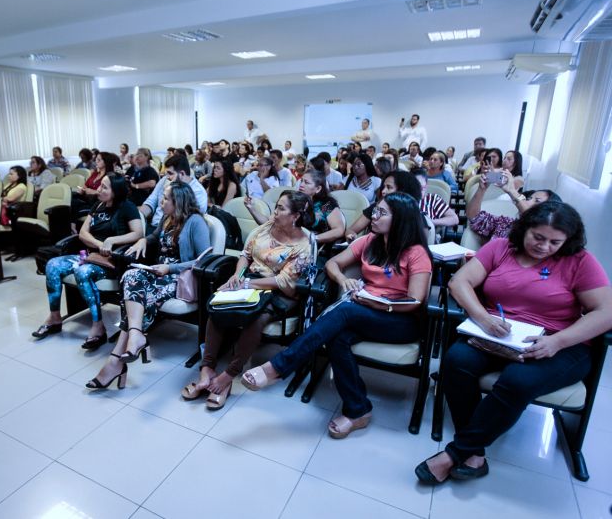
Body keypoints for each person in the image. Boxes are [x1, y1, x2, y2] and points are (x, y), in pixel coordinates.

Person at [415, 202, 612, 484]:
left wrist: (557, 341)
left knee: (517, 381)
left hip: (558, 342)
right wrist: (483, 318)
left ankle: (456, 452)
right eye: (538, 237)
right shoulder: (500, 247)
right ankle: (474, 452)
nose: (544, 247)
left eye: (555, 242)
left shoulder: (579, 261)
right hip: (498, 332)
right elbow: (459, 282)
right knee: (456, 362)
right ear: (524, 228)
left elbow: (607, 311)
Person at [241, 192, 432, 438]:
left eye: (382, 213)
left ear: (402, 219)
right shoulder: (371, 241)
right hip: (363, 310)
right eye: (375, 210)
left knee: (347, 311)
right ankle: (358, 410)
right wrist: (344, 280)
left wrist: (378, 304)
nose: (374, 216)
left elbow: (415, 301)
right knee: (337, 338)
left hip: (400, 319)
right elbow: (332, 264)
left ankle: (278, 367)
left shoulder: (416, 253)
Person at [183, 191, 314, 408]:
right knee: (219, 304)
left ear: (296, 216)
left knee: (257, 318)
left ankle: (228, 375)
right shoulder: (266, 228)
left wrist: (246, 285)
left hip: (280, 291)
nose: (275, 212)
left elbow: (283, 281)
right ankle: (207, 368)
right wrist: (237, 276)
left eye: (281, 208)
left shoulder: (304, 245)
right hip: (250, 281)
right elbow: (245, 255)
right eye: (277, 206)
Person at [86, 181, 211, 389]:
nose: (160, 202)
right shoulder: (167, 218)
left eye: (165, 198)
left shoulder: (196, 222)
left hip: (179, 278)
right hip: (159, 272)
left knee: (140, 295)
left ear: (178, 201)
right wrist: (144, 240)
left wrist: (169, 269)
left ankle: (115, 362)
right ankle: (135, 336)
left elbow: (205, 259)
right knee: (130, 276)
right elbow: (155, 236)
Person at [33, 174, 144, 347]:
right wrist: (100, 244)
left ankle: (98, 326)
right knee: (52, 265)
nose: (99, 189)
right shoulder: (98, 205)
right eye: (101, 185)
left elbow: (138, 233)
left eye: (105, 187)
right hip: (91, 255)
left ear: (116, 192)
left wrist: (112, 241)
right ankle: (54, 317)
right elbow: (83, 233)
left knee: (82, 271)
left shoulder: (127, 207)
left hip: (112, 261)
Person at [466, 169, 560, 240]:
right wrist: (482, 189)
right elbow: (474, 218)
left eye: (537, 201)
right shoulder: (506, 224)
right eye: (529, 198)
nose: (528, 201)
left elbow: (533, 220)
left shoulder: (539, 240)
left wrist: (512, 191)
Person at [345, 170, 422, 241]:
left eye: (389, 187)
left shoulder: (413, 215)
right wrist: (352, 238)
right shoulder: (376, 207)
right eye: (383, 187)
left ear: (402, 190)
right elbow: (351, 230)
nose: (383, 191)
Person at [139, 154, 208, 232]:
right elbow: (151, 201)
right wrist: (139, 217)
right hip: (154, 227)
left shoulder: (198, 192)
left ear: (182, 174)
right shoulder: (165, 180)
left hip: (173, 232)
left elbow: (190, 223)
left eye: (170, 173)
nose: (167, 177)